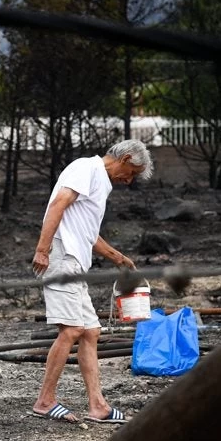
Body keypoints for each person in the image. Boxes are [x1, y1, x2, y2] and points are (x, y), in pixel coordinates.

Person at [30, 140, 153, 424]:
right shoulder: (86, 167)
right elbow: (59, 203)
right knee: (72, 329)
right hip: (62, 255)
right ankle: (45, 401)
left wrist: (117, 257)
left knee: (90, 331)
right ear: (124, 157)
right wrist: (42, 249)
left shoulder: (101, 182)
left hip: (76, 261)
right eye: (132, 172)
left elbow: (87, 233)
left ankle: (98, 406)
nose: (129, 180)